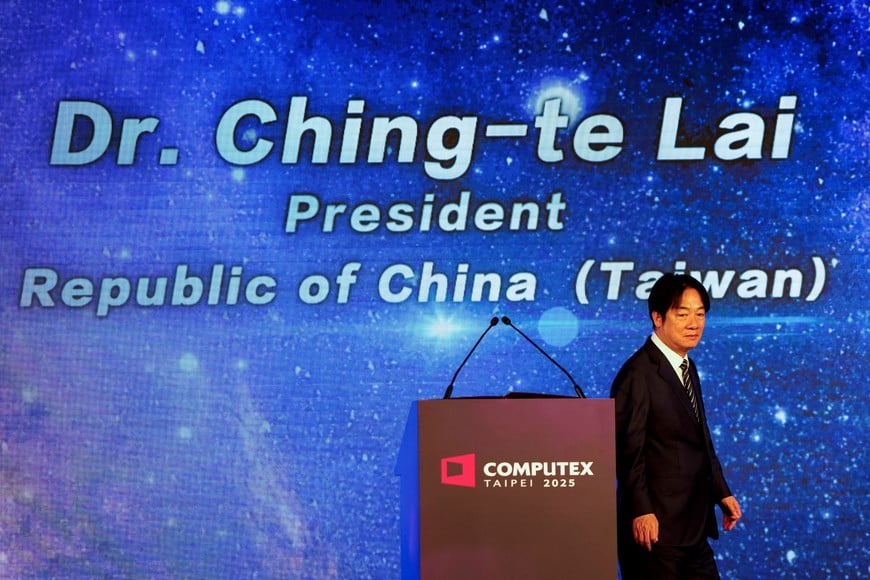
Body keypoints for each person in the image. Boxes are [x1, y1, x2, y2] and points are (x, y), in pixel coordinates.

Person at [610, 273, 741, 579]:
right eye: (682, 314)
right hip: (655, 530)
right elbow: (627, 450)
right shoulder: (638, 374)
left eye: (700, 314)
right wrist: (641, 510)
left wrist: (721, 491)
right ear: (658, 317)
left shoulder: (686, 365)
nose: (694, 323)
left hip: (692, 525)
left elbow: (700, 435)